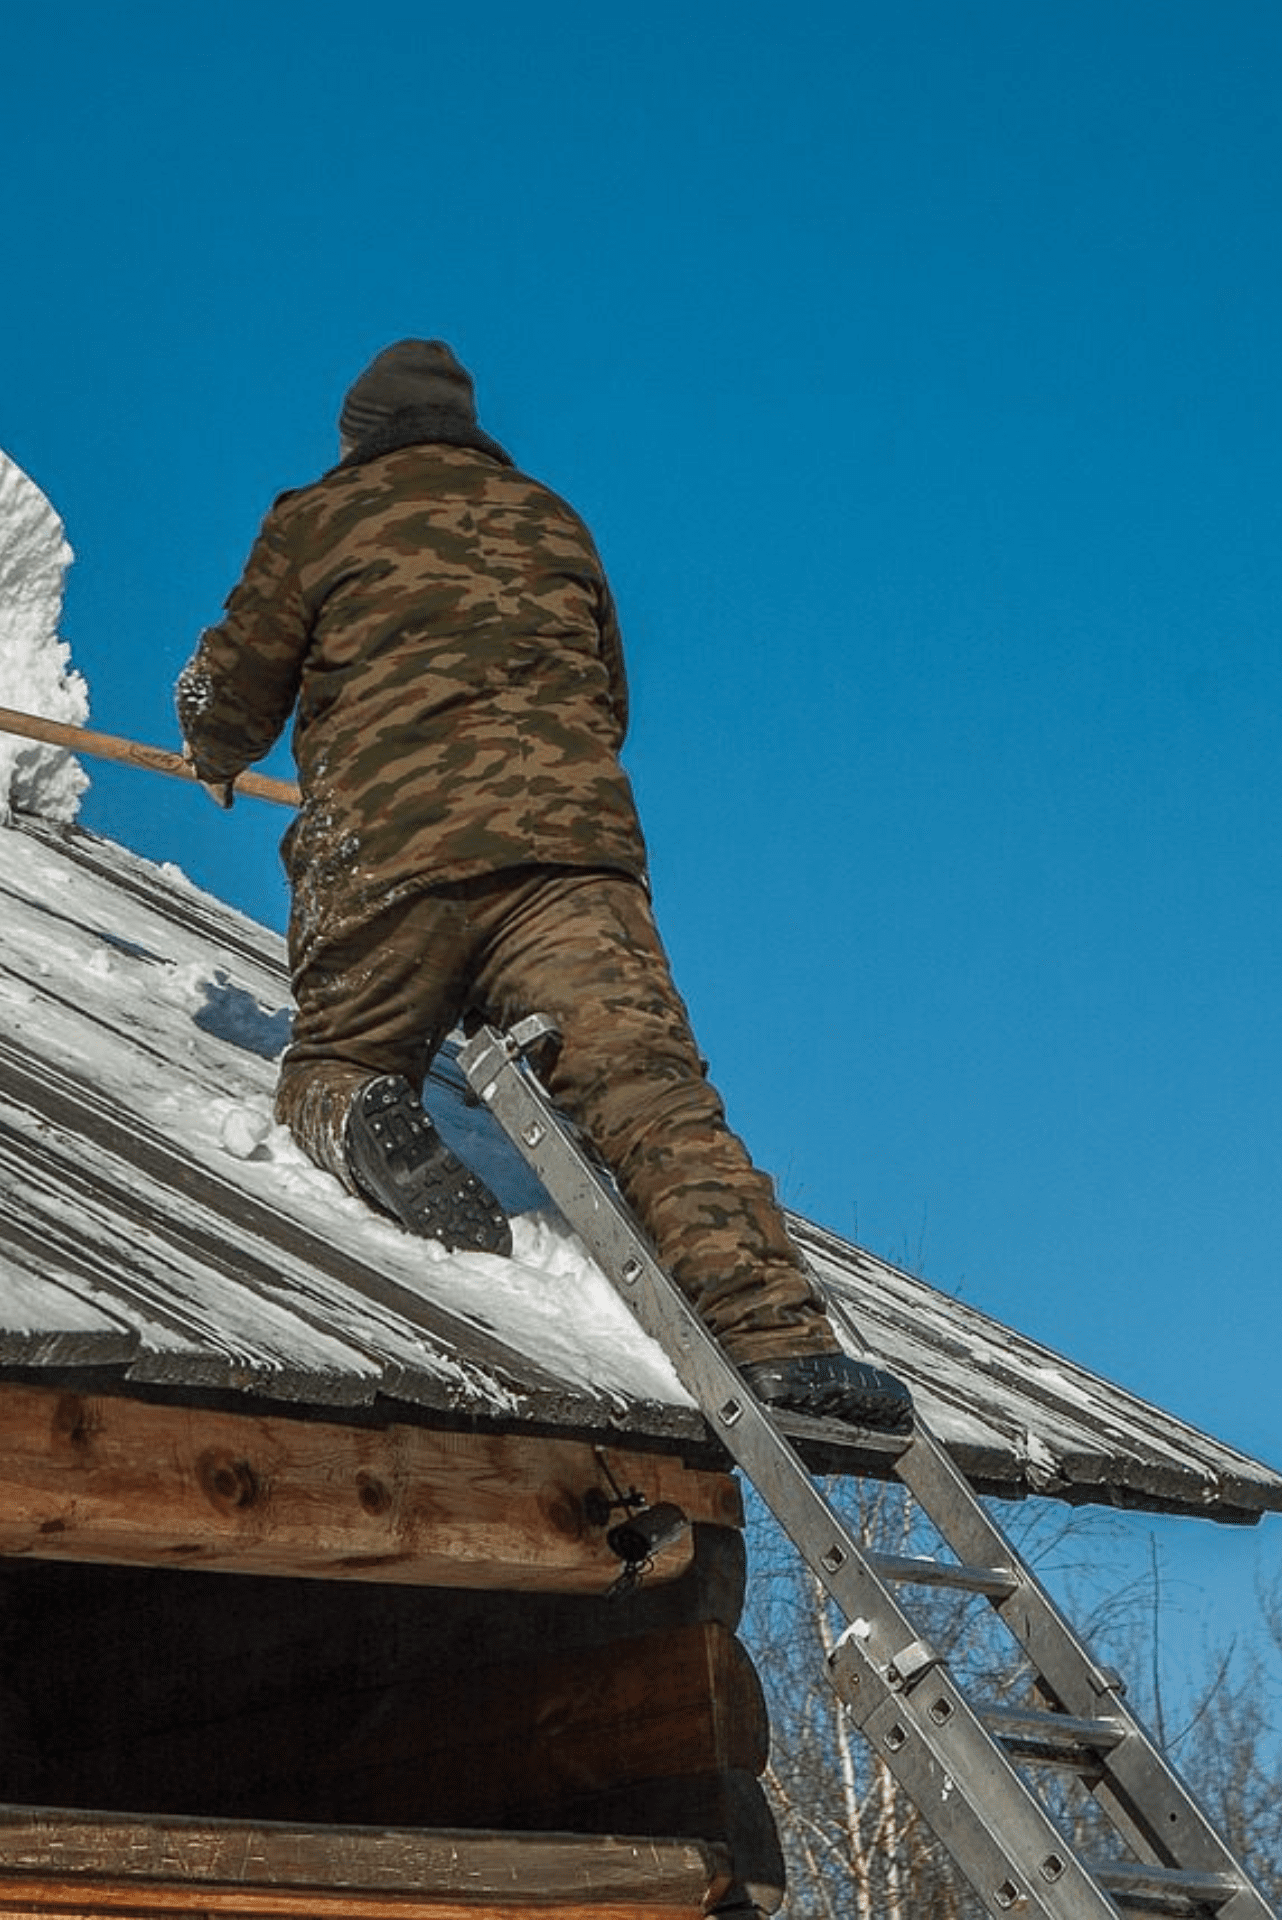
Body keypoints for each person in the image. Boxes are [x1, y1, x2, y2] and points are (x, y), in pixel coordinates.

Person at [175, 339, 910, 1433]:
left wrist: (212, 750)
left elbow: (233, 686)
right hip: (570, 858)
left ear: (357, 437)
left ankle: (362, 1110)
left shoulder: (317, 518)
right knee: (652, 1091)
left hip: (388, 852)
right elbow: (606, 701)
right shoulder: (553, 520)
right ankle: (778, 1340)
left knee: (341, 1051)